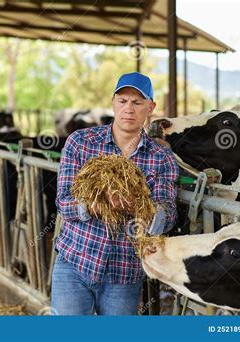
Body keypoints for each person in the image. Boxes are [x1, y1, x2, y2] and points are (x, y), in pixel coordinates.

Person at [51, 72, 179, 315]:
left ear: (150, 108)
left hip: (124, 272)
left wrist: (139, 207)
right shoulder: (80, 142)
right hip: (75, 263)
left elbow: (168, 215)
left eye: (137, 102)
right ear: (113, 103)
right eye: (122, 101)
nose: (128, 109)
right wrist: (96, 205)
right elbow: (63, 202)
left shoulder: (161, 158)